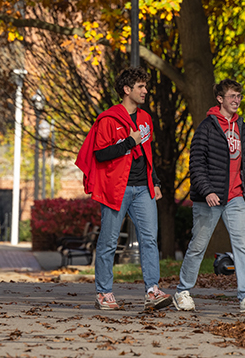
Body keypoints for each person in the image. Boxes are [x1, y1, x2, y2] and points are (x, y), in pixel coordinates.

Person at [75, 67, 171, 312]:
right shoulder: (108, 119)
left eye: (145, 87)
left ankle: (152, 291)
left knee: (150, 240)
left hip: (143, 188)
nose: (145, 91)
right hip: (117, 189)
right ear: (127, 90)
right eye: (141, 87)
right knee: (108, 242)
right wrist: (130, 142)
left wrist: (155, 181)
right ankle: (104, 293)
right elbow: (101, 154)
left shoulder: (146, 119)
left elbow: (146, 153)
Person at [172, 79, 245, 314]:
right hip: (209, 199)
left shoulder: (242, 127)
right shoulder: (206, 128)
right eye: (232, 96)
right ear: (220, 99)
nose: (236, 100)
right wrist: (208, 191)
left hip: (236, 197)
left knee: (241, 246)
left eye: (239, 96)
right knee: (198, 246)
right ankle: (182, 291)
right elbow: (196, 165)